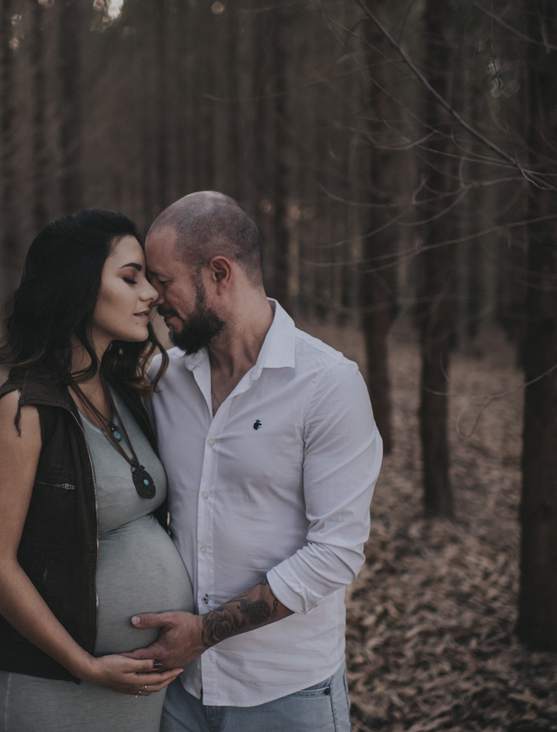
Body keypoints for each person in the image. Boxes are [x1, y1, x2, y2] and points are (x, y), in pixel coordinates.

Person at [128, 192, 383, 732]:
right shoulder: (162, 380)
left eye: (162, 279)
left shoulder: (328, 386)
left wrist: (203, 632)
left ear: (218, 273)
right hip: (178, 690)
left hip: (286, 693)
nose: (151, 297)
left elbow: (336, 554)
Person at [0, 210, 194, 732]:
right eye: (130, 277)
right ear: (78, 285)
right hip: (54, 686)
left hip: (129, 689)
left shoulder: (122, 392)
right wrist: (84, 665)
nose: (151, 295)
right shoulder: (24, 411)